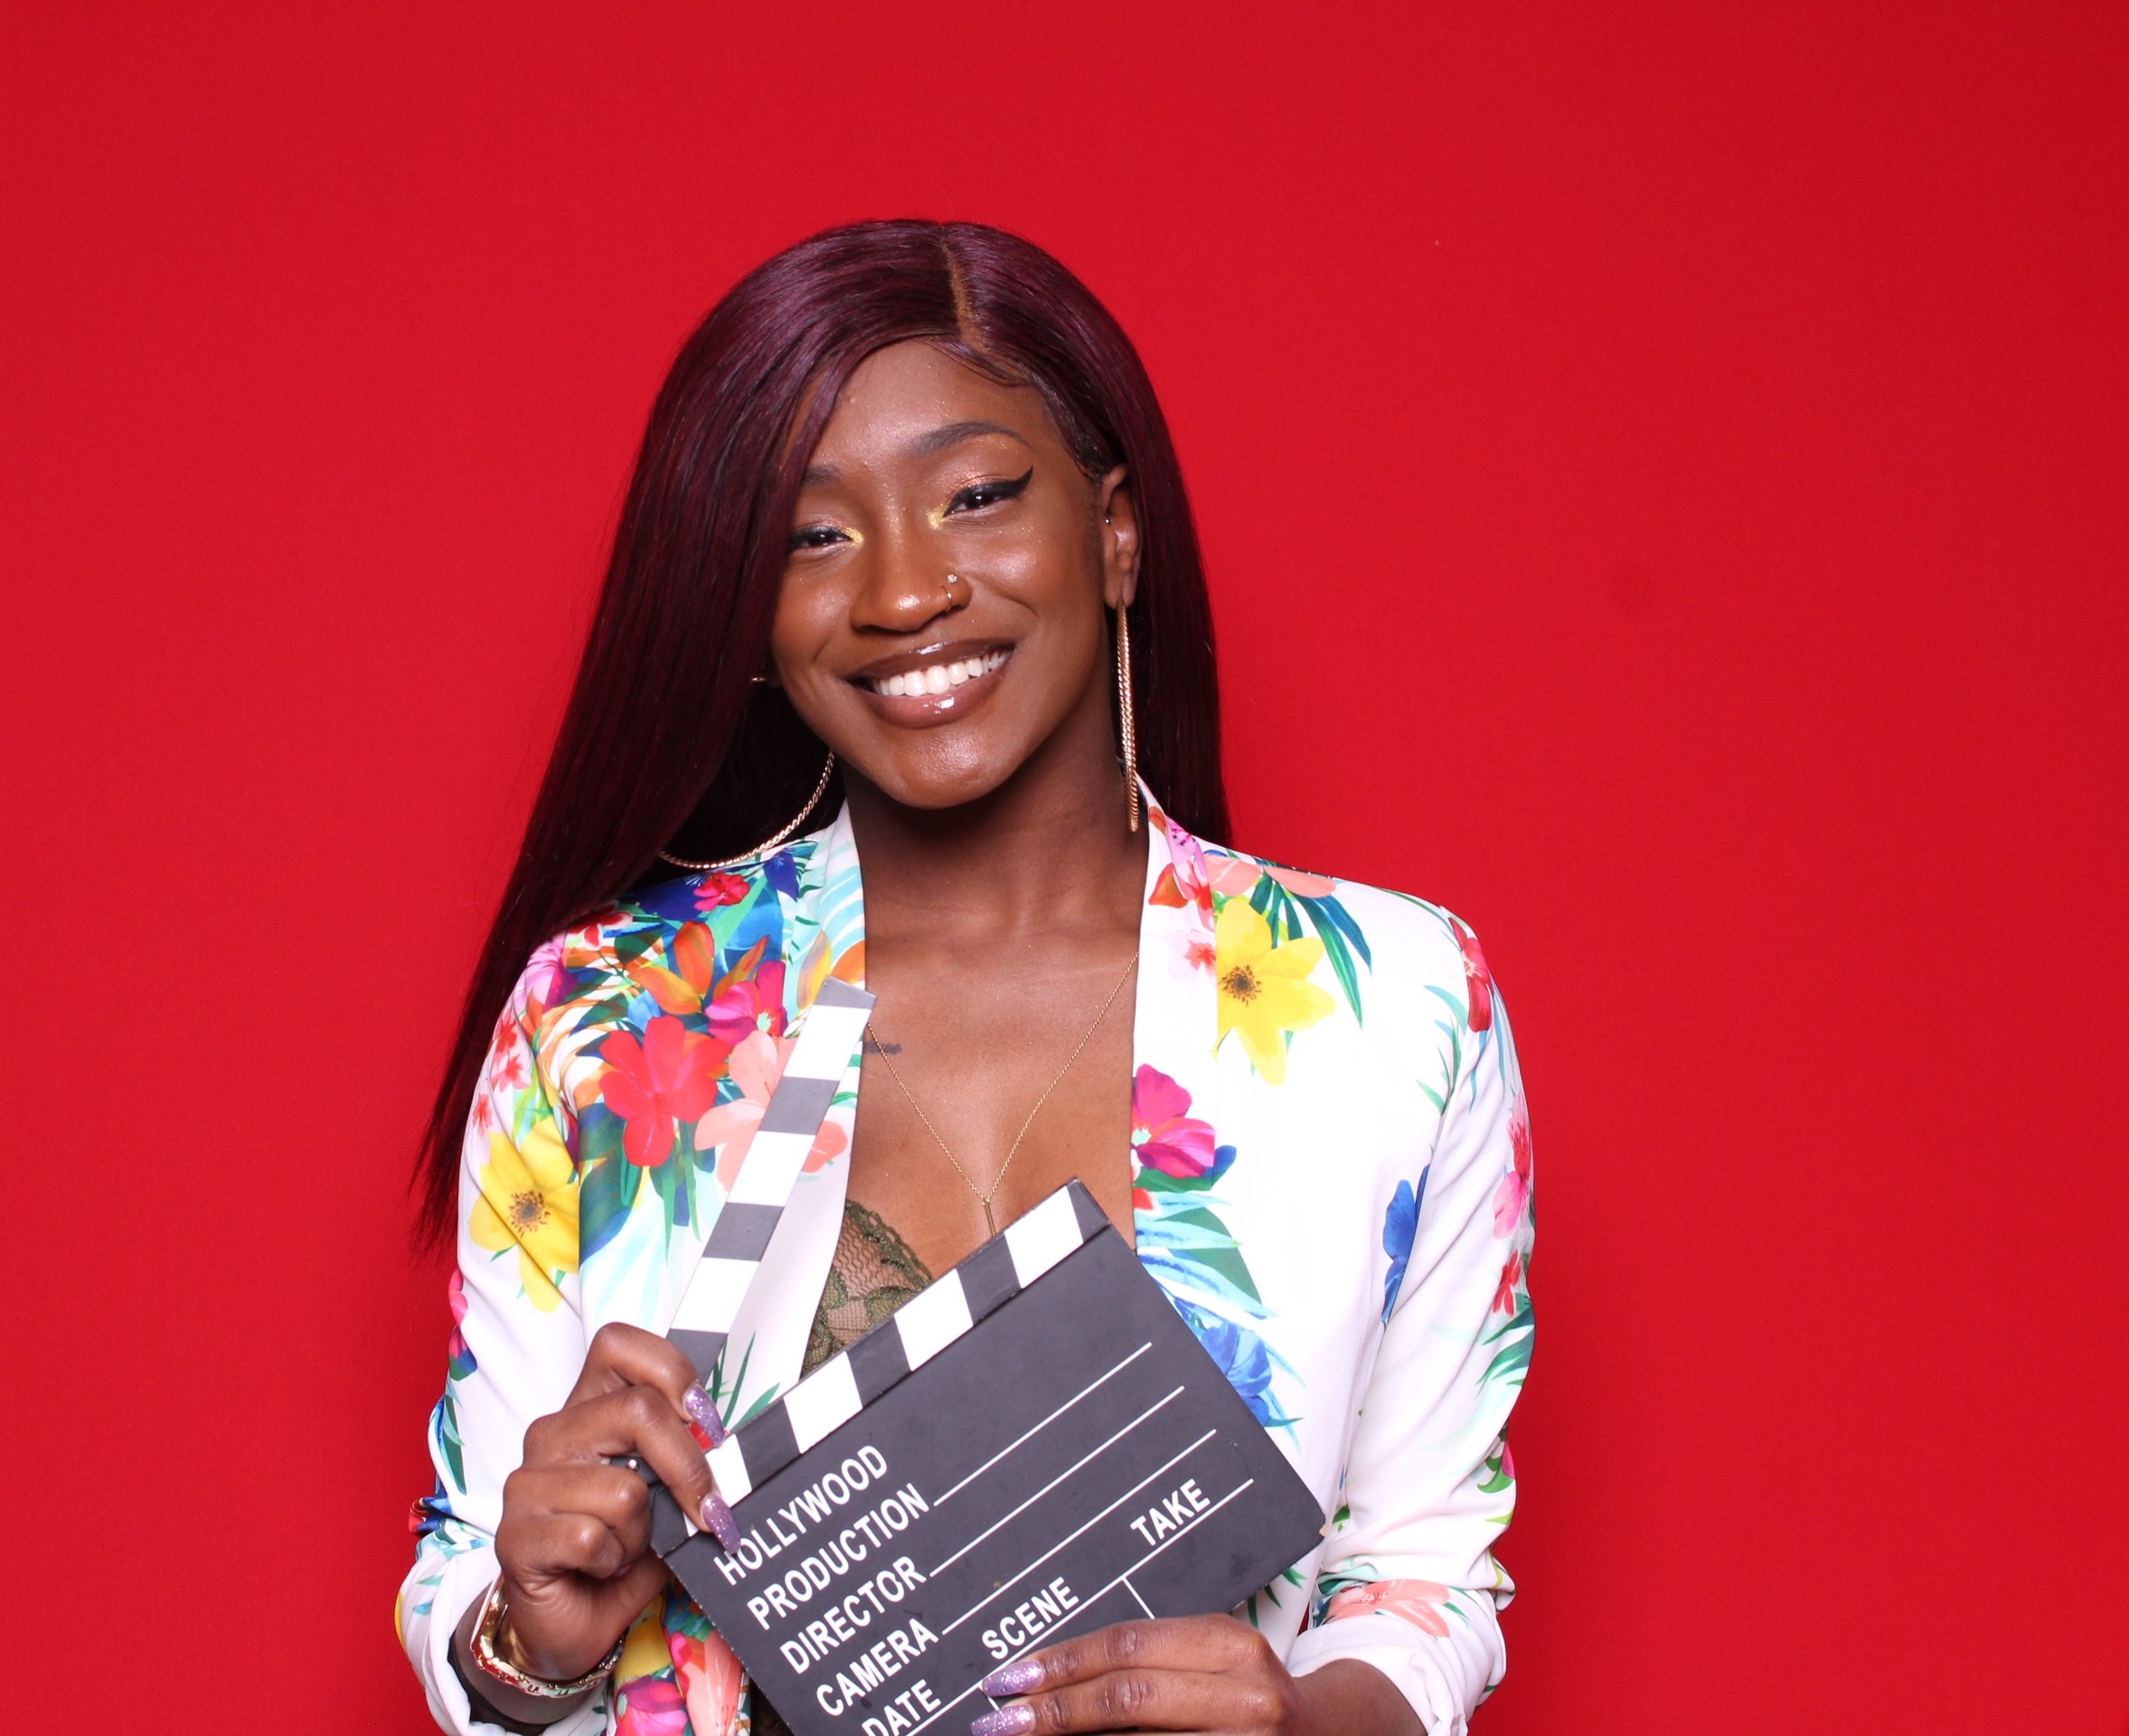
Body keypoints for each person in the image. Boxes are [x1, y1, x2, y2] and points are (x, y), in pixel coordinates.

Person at [400, 221, 1535, 1736]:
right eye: (812, 537)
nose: (902, 591)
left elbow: (1424, 1571)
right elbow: (474, 1579)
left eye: (978, 497)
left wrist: (1307, 1725)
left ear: (1115, 533)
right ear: (750, 616)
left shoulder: (1397, 1005)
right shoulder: (600, 1022)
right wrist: (528, 1645)